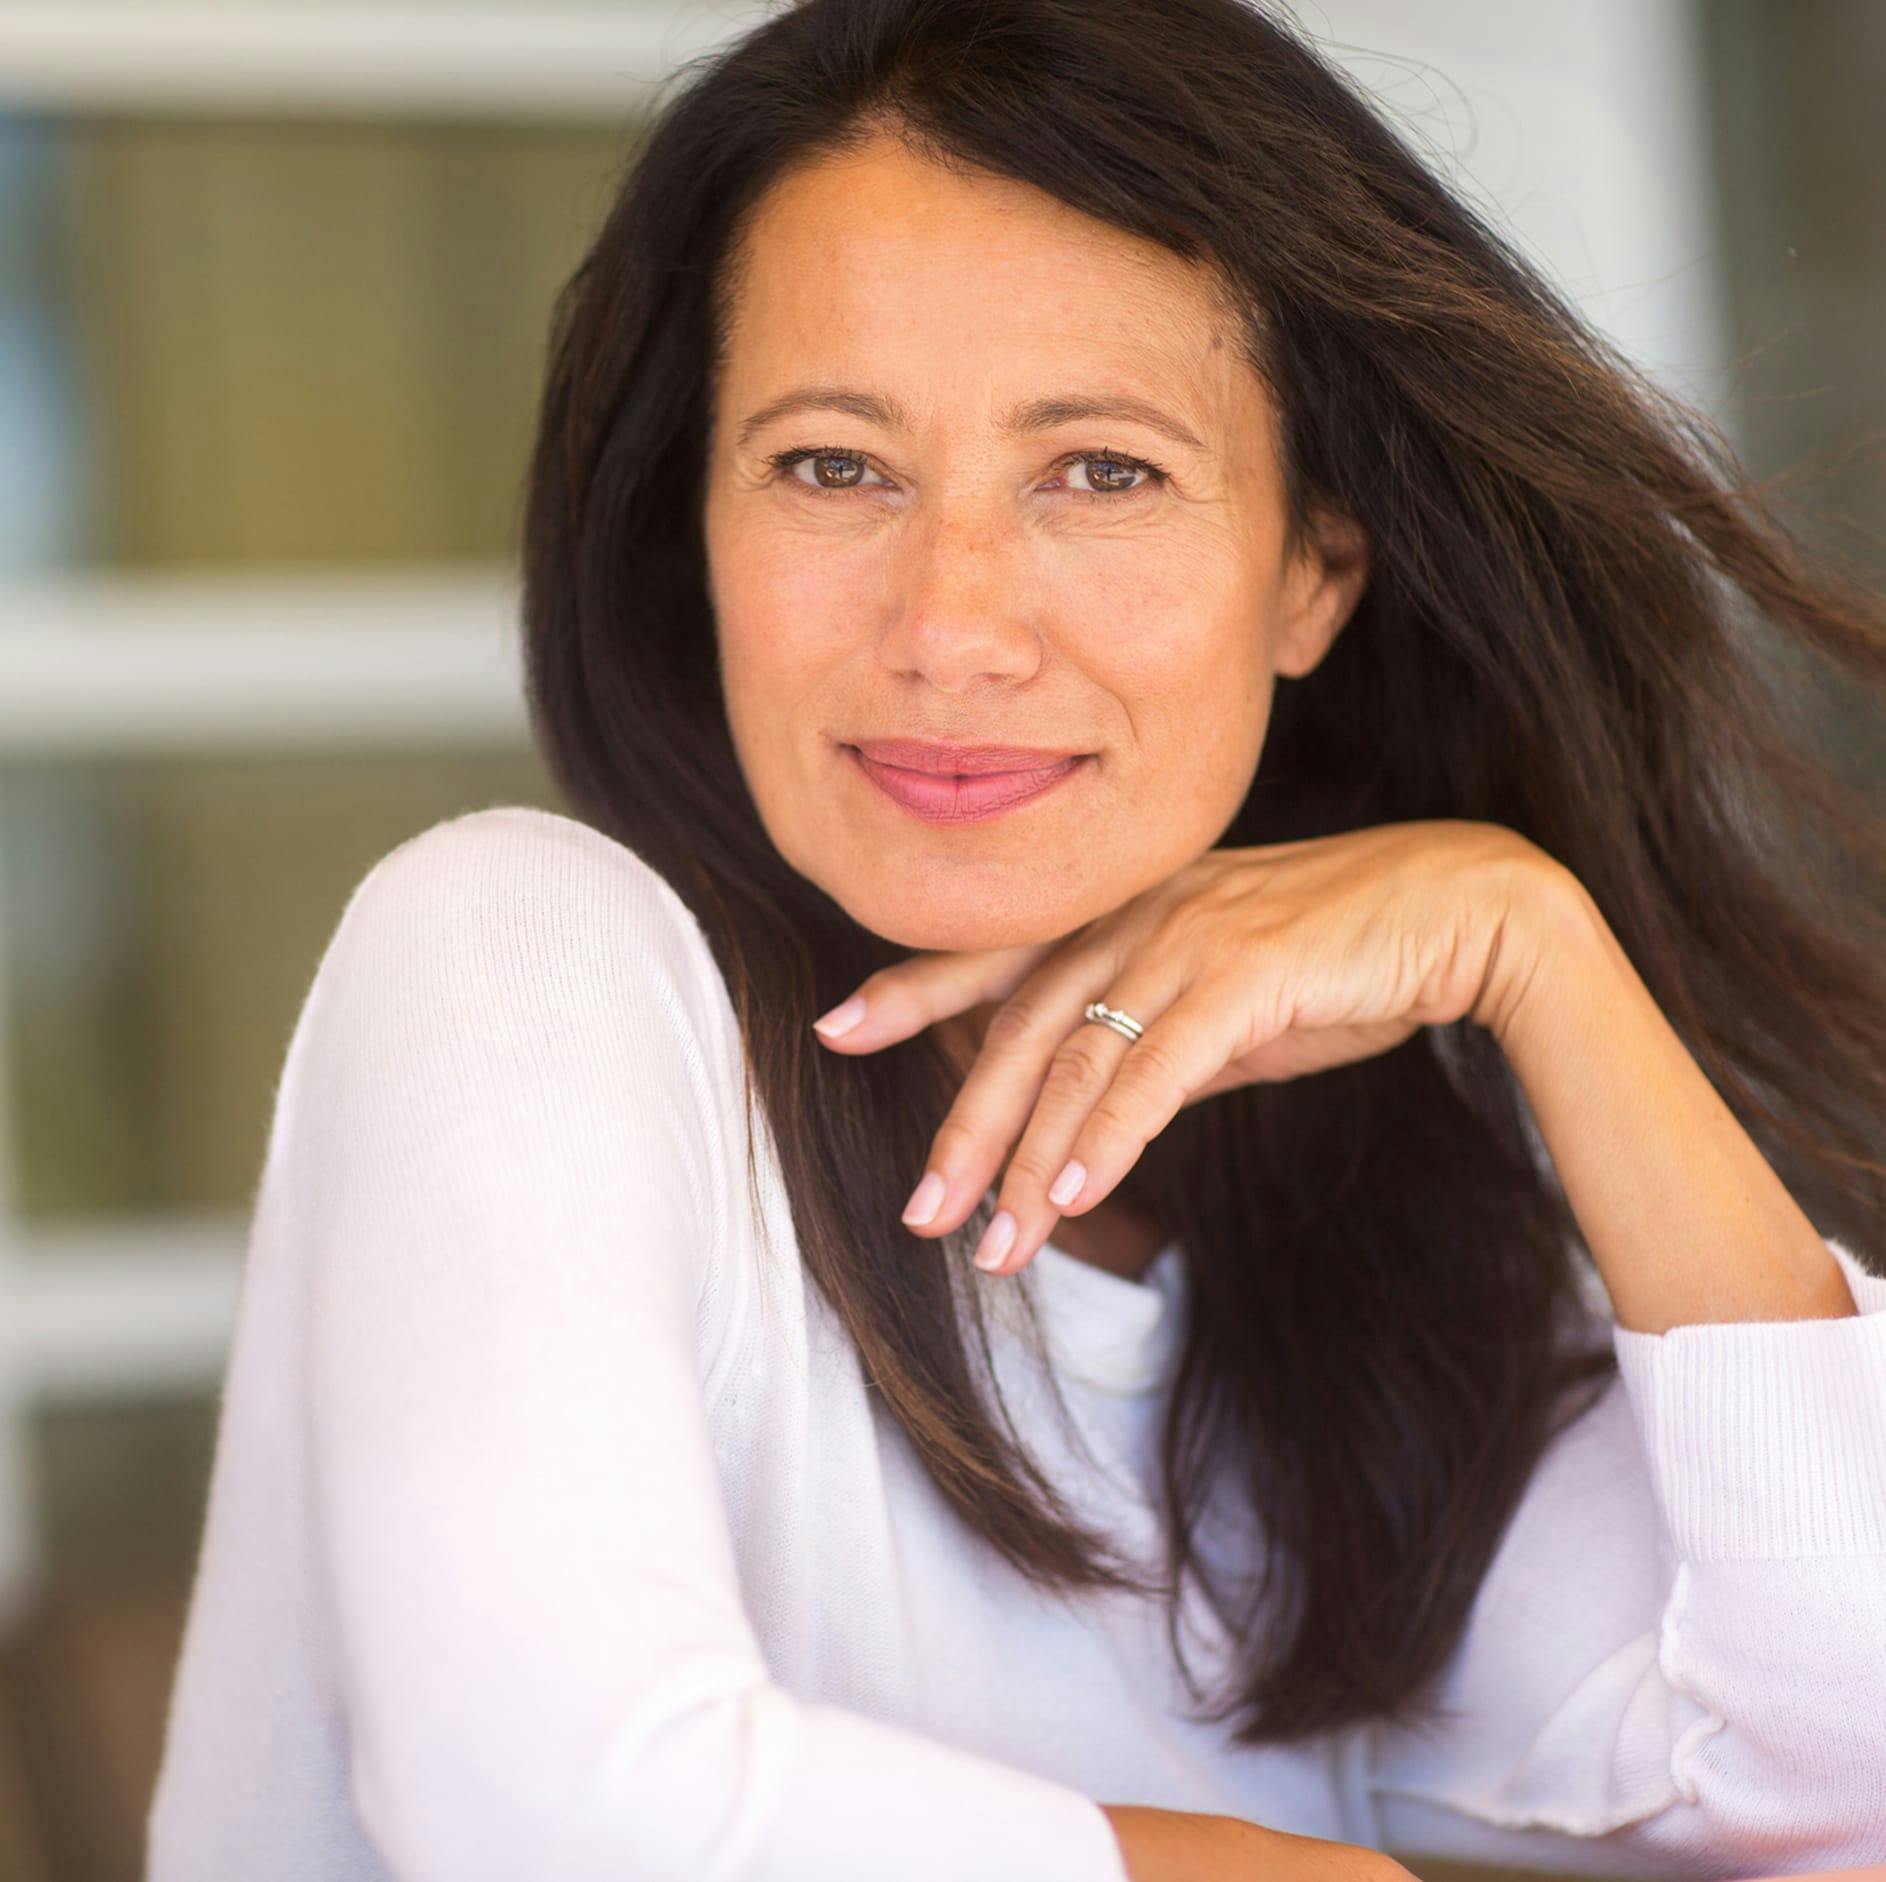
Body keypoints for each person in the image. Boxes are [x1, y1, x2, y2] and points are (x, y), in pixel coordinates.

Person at [145, 1, 1886, 1878]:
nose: (950, 624)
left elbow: (1835, 1761)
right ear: (692, 532)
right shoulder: (517, 952)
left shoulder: (1362, 1261)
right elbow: (549, 1801)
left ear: (1312, 569)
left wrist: (1540, 953)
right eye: (832, 466)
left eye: (1100, 471)